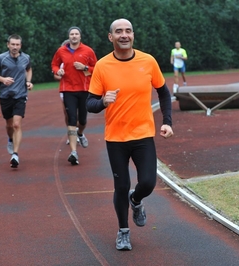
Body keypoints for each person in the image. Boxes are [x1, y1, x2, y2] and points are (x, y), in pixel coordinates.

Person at [86, 18, 174, 251]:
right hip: (116, 138)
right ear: (110, 37)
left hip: (143, 134)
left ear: (133, 35)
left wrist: (167, 122)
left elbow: (164, 93)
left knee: (147, 182)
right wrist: (103, 101)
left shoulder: (148, 61)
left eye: (128, 31)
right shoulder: (103, 66)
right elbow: (89, 103)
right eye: (118, 32)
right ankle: (123, 232)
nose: (124, 35)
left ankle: (136, 201)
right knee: (121, 185)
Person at [51, 26, 97, 165]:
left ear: (80, 36)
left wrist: (85, 68)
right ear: (69, 36)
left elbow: (97, 68)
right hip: (67, 89)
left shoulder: (88, 51)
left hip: (84, 89)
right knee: (71, 118)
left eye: (76, 34)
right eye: (72, 34)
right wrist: (57, 71)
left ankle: (80, 133)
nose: (74, 36)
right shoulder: (61, 51)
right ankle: (73, 152)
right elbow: (54, 64)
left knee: (82, 120)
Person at [0, 34, 33, 168]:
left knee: (17, 124)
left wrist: (28, 82)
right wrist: (3, 79)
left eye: (17, 45)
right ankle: (11, 139)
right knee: (9, 124)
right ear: (8, 45)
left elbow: (28, 69)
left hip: (21, 95)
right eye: (12, 44)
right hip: (6, 95)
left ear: (21, 46)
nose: (15, 47)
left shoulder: (26, 58)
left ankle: (15, 154)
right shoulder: (1, 58)